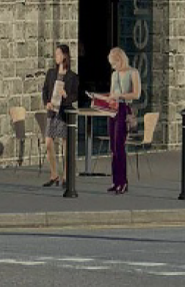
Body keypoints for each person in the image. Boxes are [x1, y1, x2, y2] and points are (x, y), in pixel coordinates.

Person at [89, 47, 141, 194]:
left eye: (114, 63)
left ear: (120, 60)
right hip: (113, 109)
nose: (113, 66)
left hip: (124, 108)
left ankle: (123, 181)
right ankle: (115, 181)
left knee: (119, 146)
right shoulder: (114, 75)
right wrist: (102, 98)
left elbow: (136, 94)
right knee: (113, 147)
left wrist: (120, 96)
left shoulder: (133, 72)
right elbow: (112, 93)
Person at [40, 44, 80, 187]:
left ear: (64, 56)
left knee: (65, 144)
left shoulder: (73, 76)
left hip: (65, 112)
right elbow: (44, 90)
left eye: (58, 54)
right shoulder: (51, 73)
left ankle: (66, 176)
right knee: (49, 142)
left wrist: (66, 96)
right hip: (52, 110)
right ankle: (53, 174)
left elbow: (76, 95)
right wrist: (47, 102)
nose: (55, 56)